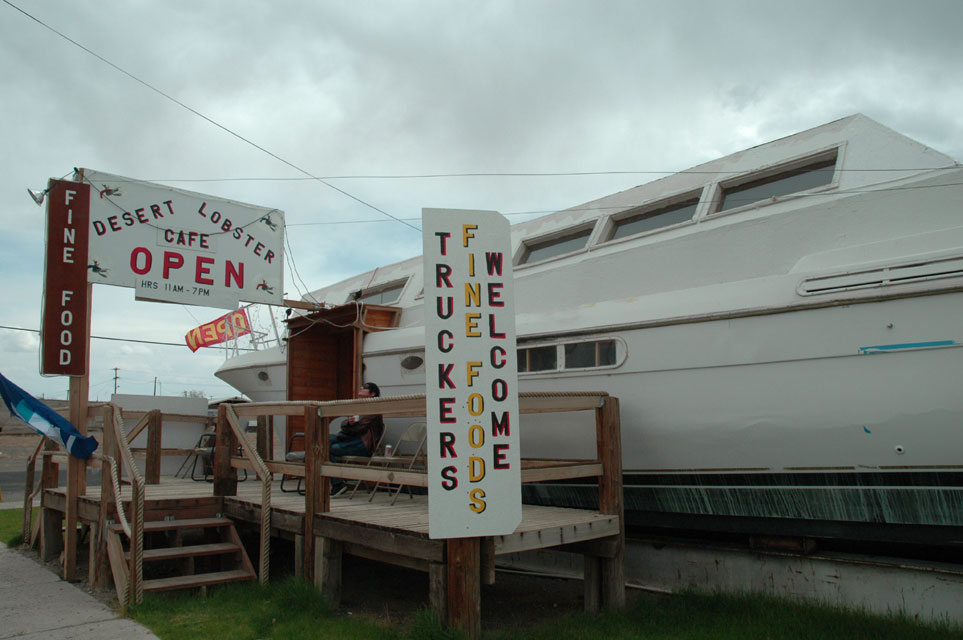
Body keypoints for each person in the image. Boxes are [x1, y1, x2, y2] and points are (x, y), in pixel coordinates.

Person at [330, 382, 384, 494]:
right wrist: (349, 423)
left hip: (362, 444)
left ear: (373, 394)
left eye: (365, 388)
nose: (361, 388)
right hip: (350, 439)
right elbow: (345, 423)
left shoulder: (375, 408)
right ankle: (336, 483)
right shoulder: (359, 405)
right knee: (325, 440)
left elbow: (360, 428)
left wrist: (349, 425)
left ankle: (337, 484)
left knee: (330, 449)